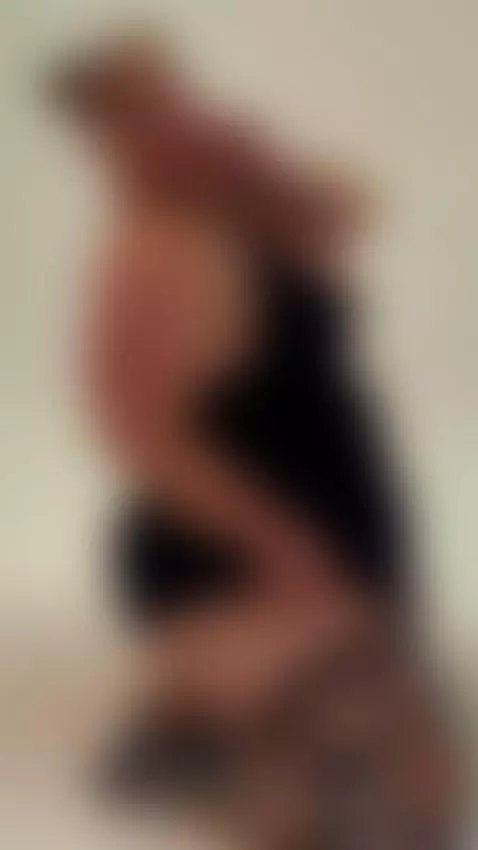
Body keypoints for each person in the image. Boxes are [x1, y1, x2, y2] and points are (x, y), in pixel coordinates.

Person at [49, 39, 455, 833]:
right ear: (107, 140)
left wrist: (262, 175)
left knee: (398, 782)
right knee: (382, 802)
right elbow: (141, 435)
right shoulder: (148, 250)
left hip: (331, 537)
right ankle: (197, 728)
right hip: (245, 554)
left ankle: (194, 726)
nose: (171, 126)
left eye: (172, 103)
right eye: (140, 117)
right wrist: (279, 546)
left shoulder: (237, 212)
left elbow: (350, 213)